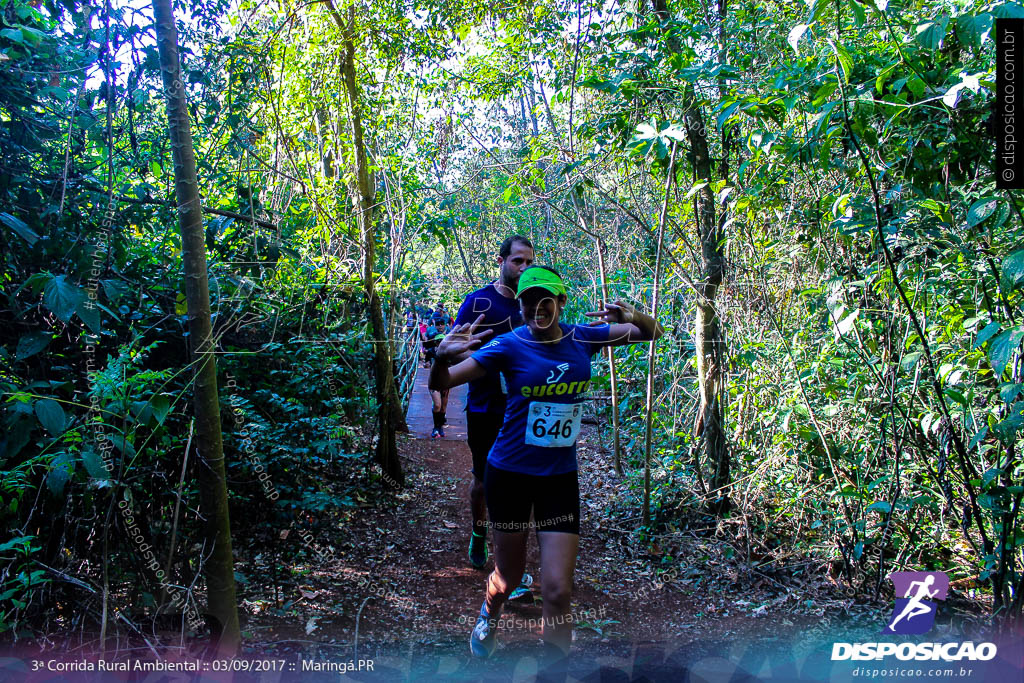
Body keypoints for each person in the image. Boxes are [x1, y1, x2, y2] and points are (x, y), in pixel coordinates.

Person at [430, 265, 663, 659]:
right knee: (508, 577)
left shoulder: (582, 336)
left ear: (560, 302)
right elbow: (442, 382)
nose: (535, 308)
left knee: (557, 590)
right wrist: (439, 356)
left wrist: (632, 315)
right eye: (526, 301)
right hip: (509, 475)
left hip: (558, 478)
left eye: (544, 300)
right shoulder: (508, 345)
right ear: (519, 305)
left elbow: (651, 332)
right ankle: (490, 610)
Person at [453, 235, 534, 573]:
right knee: (484, 480)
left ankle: (510, 554)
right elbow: (453, 347)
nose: (524, 268)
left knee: (521, 484)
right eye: (518, 261)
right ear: (500, 262)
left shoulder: (533, 302)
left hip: (524, 409)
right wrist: (484, 359)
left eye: (529, 262)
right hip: (486, 406)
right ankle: (478, 530)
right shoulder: (478, 302)